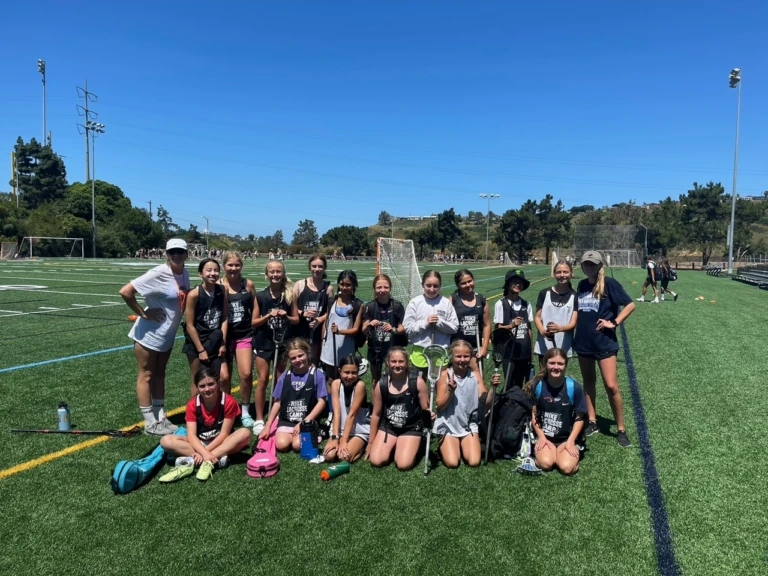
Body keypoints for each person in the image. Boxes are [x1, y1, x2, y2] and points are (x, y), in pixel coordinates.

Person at [119, 238, 191, 436]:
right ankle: (150, 422)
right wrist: (144, 313)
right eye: (172, 252)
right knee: (147, 375)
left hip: (167, 335)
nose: (176, 255)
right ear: (166, 254)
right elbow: (126, 292)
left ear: (186, 254)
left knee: (160, 374)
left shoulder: (184, 272)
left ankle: (160, 417)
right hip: (149, 334)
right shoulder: (159, 273)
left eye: (180, 251)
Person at [574, 250, 635, 448]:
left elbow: (630, 305)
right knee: (588, 383)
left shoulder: (610, 284)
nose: (589, 267)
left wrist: (614, 322)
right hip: (583, 342)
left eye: (592, 264)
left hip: (605, 342)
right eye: (586, 264)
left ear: (600, 265)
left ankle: (621, 429)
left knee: (611, 385)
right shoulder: (582, 285)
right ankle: (592, 422)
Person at [158, 366, 252, 483]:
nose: (207, 389)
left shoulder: (228, 402)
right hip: (199, 443)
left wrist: (204, 453)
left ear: (217, 383)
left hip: (222, 442)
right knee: (165, 441)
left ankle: (194, 461)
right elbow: (191, 436)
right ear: (197, 387)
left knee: (245, 433)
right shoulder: (192, 404)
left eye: (211, 384)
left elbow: (224, 434)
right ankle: (216, 458)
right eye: (202, 386)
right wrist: (203, 452)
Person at [252, 260, 299, 435]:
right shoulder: (261, 296)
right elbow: (254, 322)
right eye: (271, 271)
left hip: (282, 343)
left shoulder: (289, 296)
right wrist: (267, 316)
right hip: (264, 342)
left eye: (278, 271)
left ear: (283, 273)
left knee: (279, 381)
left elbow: (296, 319)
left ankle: (276, 414)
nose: (275, 274)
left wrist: (286, 315)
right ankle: (258, 418)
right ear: (267, 274)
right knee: (263, 380)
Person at [433, 340, 497, 468]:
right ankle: (445, 445)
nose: (462, 360)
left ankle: (462, 443)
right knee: (452, 463)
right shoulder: (445, 375)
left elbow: (485, 403)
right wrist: (450, 392)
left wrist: (492, 388)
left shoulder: (475, 375)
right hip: (448, 424)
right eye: (458, 356)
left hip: (469, 425)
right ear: (452, 356)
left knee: (474, 462)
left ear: (471, 357)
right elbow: (439, 406)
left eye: (466, 356)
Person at [524, 348, 587, 475]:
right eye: (552, 363)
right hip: (546, 437)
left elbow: (580, 418)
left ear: (566, 365)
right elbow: (534, 414)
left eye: (560, 364)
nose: (556, 367)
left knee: (566, 468)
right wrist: (541, 437)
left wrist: (570, 441)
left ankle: (568, 455)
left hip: (566, 438)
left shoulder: (574, 387)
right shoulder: (538, 385)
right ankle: (549, 454)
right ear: (545, 364)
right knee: (546, 464)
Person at [258, 339, 328, 453]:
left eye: (300, 355)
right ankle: (287, 432)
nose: (298, 360)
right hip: (287, 420)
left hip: (307, 420)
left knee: (297, 445)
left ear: (308, 353)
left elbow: (322, 402)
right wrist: (268, 426)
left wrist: (306, 422)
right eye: (293, 358)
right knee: (281, 445)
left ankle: (314, 431)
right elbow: (277, 402)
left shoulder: (317, 374)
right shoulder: (285, 376)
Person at [367, 348, 431, 470]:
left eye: (401, 361)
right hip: (389, 426)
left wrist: (429, 415)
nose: (397, 365)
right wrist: (370, 443)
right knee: (376, 461)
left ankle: (416, 443)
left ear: (407, 363)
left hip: (411, 427)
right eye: (394, 361)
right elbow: (376, 414)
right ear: (388, 363)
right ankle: (395, 445)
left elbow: (425, 409)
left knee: (403, 464)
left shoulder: (417, 382)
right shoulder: (382, 384)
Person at [219, 251, 258, 427]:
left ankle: (244, 411)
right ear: (224, 266)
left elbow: (255, 307)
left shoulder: (247, 284)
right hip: (223, 338)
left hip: (244, 335)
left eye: (237, 265)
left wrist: (254, 328)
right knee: (224, 378)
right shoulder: (218, 284)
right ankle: (227, 409)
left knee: (246, 374)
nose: (233, 268)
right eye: (230, 265)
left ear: (241, 266)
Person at [182, 258, 229, 398]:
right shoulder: (194, 294)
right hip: (197, 342)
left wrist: (222, 342)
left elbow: (225, 317)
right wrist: (200, 350)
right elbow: (189, 325)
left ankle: (218, 411)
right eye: (208, 270)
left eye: (216, 270)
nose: (213, 273)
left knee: (220, 378)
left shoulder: (222, 289)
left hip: (215, 339)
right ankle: (195, 415)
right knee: (198, 380)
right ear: (200, 274)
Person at [404, 270, 459, 379]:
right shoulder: (415, 302)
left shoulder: (446, 303)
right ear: (422, 285)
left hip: (440, 352)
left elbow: (454, 327)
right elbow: (407, 328)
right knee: (418, 387)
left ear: (440, 286)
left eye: (435, 286)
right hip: (420, 352)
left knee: (441, 387)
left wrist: (439, 323)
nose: (432, 289)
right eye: (428, 285)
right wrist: (425, 323)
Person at [323, 354, 370, 463]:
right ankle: (348, 445)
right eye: (346, 372)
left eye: (354, 373)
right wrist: (335, 438)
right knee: (329, 456)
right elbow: (337, 412)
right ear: (340, 371)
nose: (350, 376)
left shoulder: (360, 385)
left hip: (358, 429)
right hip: (340, 428)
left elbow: (352, 415)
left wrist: (343, 441)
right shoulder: (335, 384)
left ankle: (360, 447)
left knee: (343, 457)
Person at [493, 269, 534, 391]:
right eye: (514, 281)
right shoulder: (500, 303)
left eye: (520, 282)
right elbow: (498, 328)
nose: (517, 284)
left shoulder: (527, 305)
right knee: (509, 383)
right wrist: (511, 325)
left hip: (524, 350)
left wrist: (530, 351)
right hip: (508, 351)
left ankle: (518, 408)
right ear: (508, 284)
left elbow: (529, 329)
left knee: (522, 383)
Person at [361, 274, 406, 384]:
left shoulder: (397, 306)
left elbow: (402, 328)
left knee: (393, 379)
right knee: (375, 379)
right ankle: (377, 401)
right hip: (375, 349)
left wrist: (393, 329)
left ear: (390, 288)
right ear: (374, 289)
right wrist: (369, 324)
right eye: (379, 287)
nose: (382, 290)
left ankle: (391, 401)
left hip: (392, 349)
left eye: (386, 287)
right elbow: (364, 330)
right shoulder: (370, 306)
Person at [320, 270, 364, 380]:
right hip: (330, 346)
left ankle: (344, 398)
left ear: (354, 285)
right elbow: (326, 323)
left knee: (346, 379)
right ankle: (332, 398)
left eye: (348, 285)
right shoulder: (331, 301)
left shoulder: (358, 304)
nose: (344, 287)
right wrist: (323, 342)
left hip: (346, 347)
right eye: (342, 284)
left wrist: (340, 332)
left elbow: (355, 329)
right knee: (330, 379)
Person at [534, 261, 578, 364]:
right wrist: (542, 331)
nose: (562, 275)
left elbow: (573, 323)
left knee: (558, 376)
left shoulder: (575, 296)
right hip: (544, 344)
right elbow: (537, 317)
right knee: (543, 374)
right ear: (554, 274)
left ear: (571, 273)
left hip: (564, 345)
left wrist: (560, 328)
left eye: (565, 272)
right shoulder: (544, 293)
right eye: (558, 272)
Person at [293, 253, 334, 364]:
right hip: (301, 330)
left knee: (314, 363)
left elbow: (330, 311)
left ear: (324, 267)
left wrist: (319, 320)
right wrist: (303, 313)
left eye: (320, 266)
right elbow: (292, 307)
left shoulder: (328, 288)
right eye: (314, 266)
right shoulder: (300, 285)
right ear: (309, 267)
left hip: (318, 331)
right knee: (299, 362)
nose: (317, 269)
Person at [450, 269, 491, 373]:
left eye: (470, 281)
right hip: (457, 350)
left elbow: (486, 325)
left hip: (475, 349)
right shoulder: (452, 300)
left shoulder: (481, 300)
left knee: (477, 380)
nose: (468, 285)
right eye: (463, 283)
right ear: (458, 285)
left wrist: (485, 347)